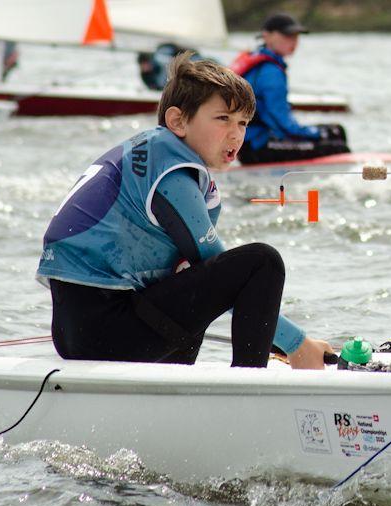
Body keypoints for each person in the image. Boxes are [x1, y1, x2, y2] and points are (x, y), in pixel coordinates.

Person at [36, 52, 331, 369]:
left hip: (80, 330)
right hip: (107, 330)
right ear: (178, 121)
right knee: (261, 263)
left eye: (243, 123)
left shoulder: (153, 152)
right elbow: (219, 265)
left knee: (191, 275)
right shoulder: (171, 173)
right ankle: (250, 388)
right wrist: (296, 344)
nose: (237, 134)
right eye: (223, 119)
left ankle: (179, 386)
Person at [231, 13, 349, 164]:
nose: (293, 41)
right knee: (337, 146)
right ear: (267, 36)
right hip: (257, 147)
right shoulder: (270, 71)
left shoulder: (259, 61)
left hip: (250, 143)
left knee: (336, 131)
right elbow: (281, 122)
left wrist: (313, 134)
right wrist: (315, 134)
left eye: (296, 36)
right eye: (287, 35)